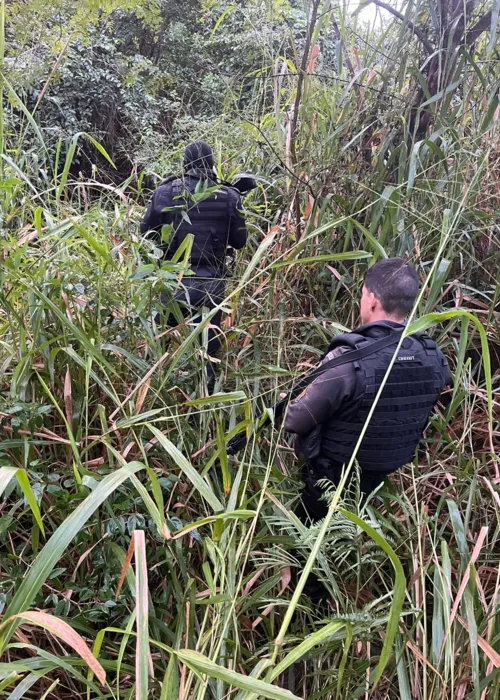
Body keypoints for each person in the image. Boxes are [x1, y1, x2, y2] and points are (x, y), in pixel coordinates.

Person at [284, 258, 451, 521]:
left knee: (310, 536)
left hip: (330, 479)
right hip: (381, 478)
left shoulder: (348, 360)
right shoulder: (433, 357)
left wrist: (293, 401)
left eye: (362, 295)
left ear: (372, 300)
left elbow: (295, 419)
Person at [140, 140, 248, 387]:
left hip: (172, 282)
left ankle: (161, 398)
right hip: (212, 284)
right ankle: (204, 406)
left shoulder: (166, 192)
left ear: (185, 164)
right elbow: (240, 241)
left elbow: (146, 233)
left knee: (162, 353)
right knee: (207, 357)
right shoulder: (229, 196)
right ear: (211, 164)